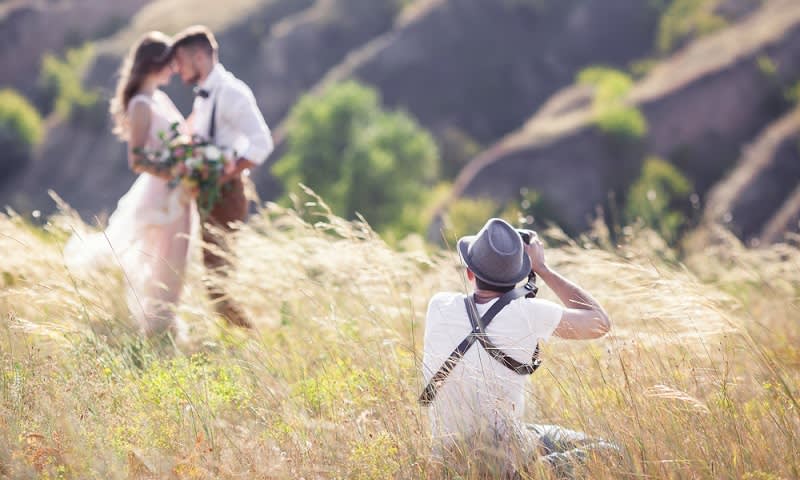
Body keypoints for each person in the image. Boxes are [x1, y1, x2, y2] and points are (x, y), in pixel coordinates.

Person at [421, 218, 615, 477]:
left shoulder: (439, 304)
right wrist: (543, 268)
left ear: (470, 273)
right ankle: (536, 472)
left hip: (448, 460)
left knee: (532, 432)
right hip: (505, 461)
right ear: (520, 275)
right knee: (611, 451)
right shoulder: (528, 314)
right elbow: (600, 323)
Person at [64, 31, 195, 338]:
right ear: (154, 64)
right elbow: (137, 160)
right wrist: (173, 171)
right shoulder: (140, 105)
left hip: (179, 188)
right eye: (170, 63)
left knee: (178, 256)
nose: (175, 69)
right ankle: (157, 326)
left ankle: (164, 325)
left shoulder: (159, 98)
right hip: (160, 191)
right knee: (161, 257)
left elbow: (182, 138)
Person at [170, 25, 274, 329]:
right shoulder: (204, 95)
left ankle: (252, 341)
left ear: (200, 57)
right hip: (207, 196)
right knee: (214, 278)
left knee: (217, 283)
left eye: (181, 62)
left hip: (226, 196)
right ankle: (241, 339)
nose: (177, 70)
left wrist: (228, 171)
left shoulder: (232, 92)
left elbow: (262, 141)